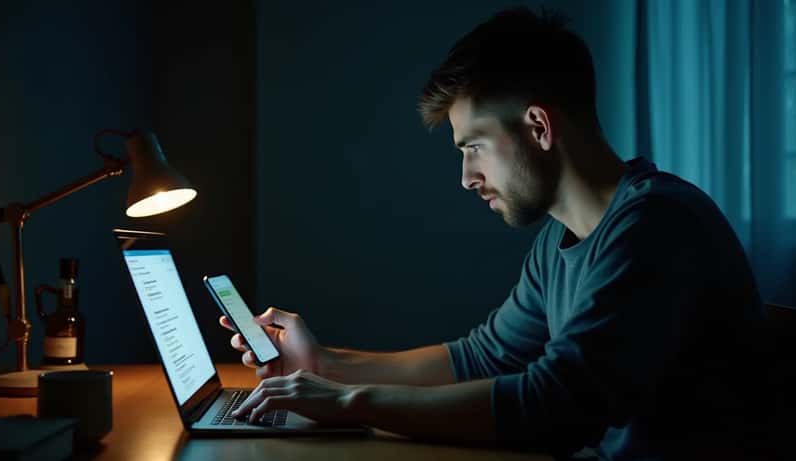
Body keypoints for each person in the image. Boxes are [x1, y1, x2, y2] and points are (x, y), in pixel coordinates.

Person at [219, 6, 770, 460]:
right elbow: (481, 358)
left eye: (473, 148)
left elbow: (552, 403)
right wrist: (323, 362)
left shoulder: (654, 227)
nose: (466, 178)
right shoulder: (558, 243)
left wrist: (348, 402)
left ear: (538, 126)